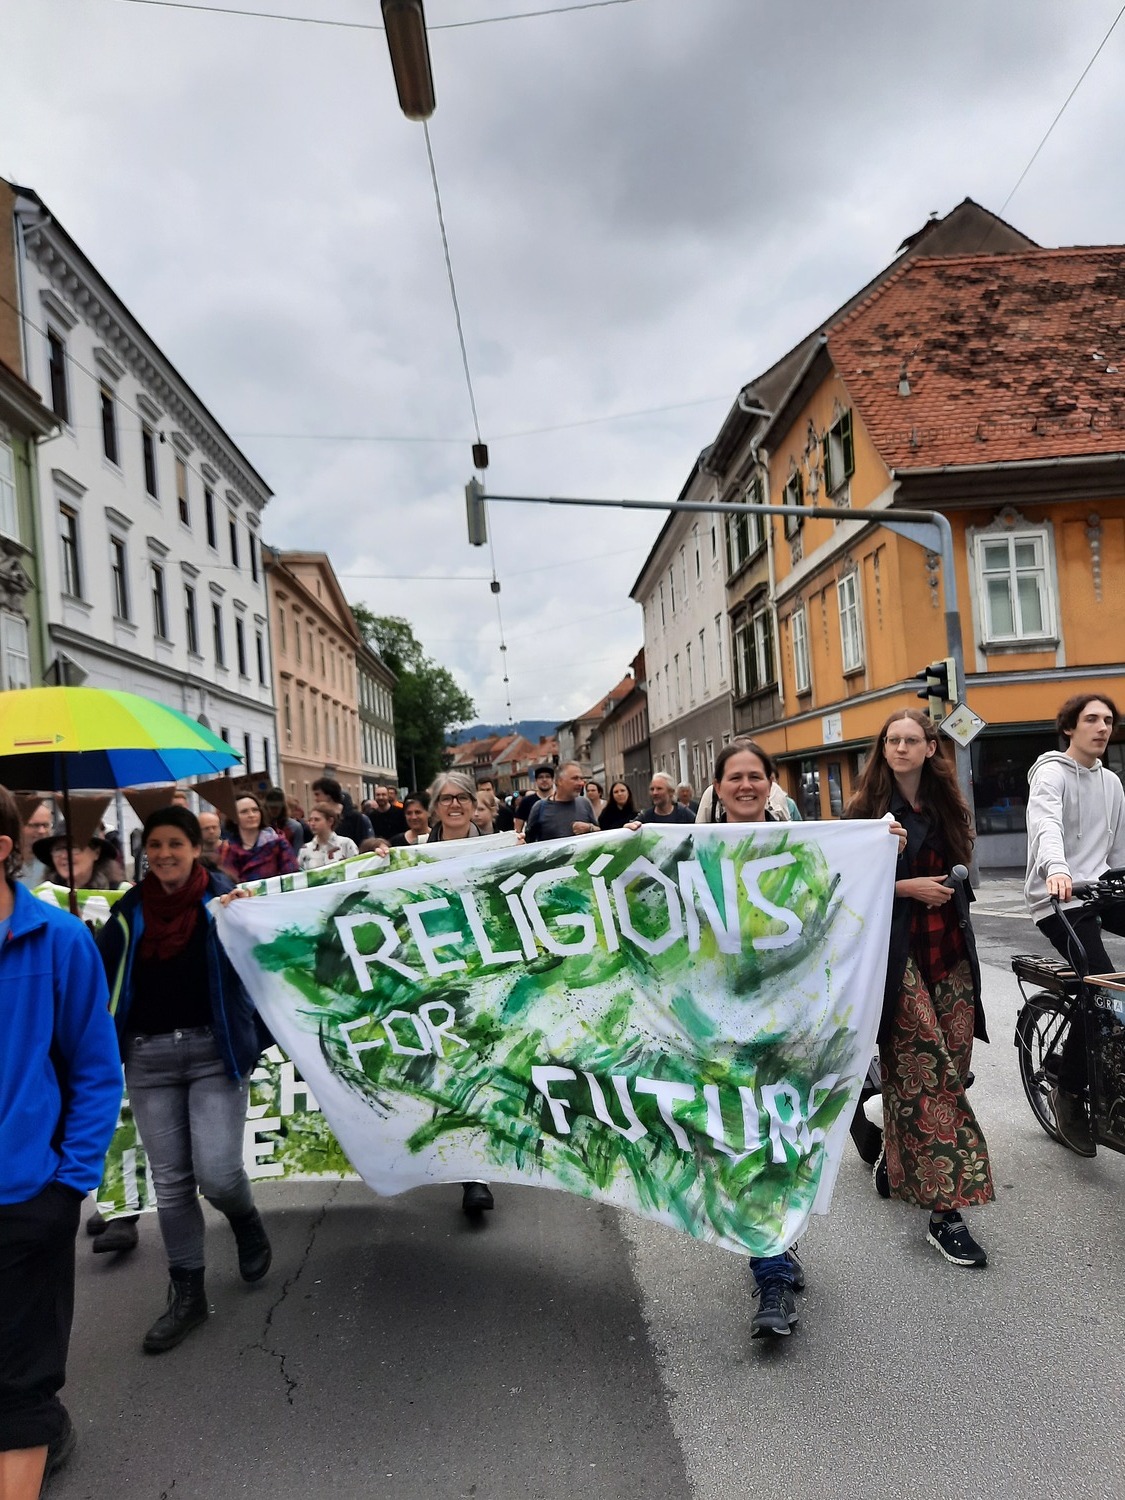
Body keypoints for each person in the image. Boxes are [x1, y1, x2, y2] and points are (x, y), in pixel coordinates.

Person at [97, 805, 273, 1353]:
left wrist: (248, 919)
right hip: (147, 1060)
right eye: (155, 845)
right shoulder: (128, 913)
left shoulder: (225, 902)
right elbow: (96, 981)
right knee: (171, 1182)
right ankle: (188, 1293)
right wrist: (85, 940)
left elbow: (269, 962)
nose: (164, 854)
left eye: (175, 843)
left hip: (212, 1055)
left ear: (197, 848)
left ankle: (243, 1217)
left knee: (218, 1173)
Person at [0, 784, 123, 1499]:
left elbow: (95, 1070)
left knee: (20, 1387)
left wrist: (69, 1183)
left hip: (27, 1199)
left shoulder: (61, 941)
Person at [846, 708, 992, 1268]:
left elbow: (961, 871)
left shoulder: (948, 804)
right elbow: (844, 885)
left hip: (949, 952)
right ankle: (945, 1213)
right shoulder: (865, 810)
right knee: (927, 1076)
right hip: (898, 956)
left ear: (931, 747)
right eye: (893, 740)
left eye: (912, 740)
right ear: (883, 749)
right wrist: (905, 885)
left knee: (952, 1066)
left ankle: (895, 1152)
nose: (902, 748)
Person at [1024, 692, 1125, 1154]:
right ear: (1069, 727)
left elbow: (1117, 852)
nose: (1102, 728)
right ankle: (1068, 1092)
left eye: (1108, 720)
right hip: (1058, 898)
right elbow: (1046, 824)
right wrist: (1057, 869)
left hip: (1100, 889)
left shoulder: (1112, 783)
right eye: (1092, 719)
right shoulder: (1050, 773)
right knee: (1101, 985)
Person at [424, 771, 497, 1216]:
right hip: (434, 977)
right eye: (446, 799)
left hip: (489, 973)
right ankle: (470, 1171)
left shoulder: (500, 848)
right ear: (435, 807)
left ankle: (479, 1170)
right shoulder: (412, 855)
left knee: (483, 1067)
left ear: (474, 804)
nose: (455, 805)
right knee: (451, 1068)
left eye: (462, 798)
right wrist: (380, 861)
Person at [219, 793, 300, 885]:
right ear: (234, 818)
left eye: (255, 810)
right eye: (244, 812)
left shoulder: (278, 844)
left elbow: (292, 879)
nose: (251, 815)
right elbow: (224, 884)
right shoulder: (227, 850)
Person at [34, 827, 128, 892]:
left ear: (96, 853)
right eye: (58, 849)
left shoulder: (121, 895)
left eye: (73, 848)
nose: (64, 855)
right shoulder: (44, 897)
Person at [524, 762, 599, 842]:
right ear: (559, 781)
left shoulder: (584, 803)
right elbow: (529, 842)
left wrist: (590, 828)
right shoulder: (540, 807)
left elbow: (600, 834)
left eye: (581, 779)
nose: (581, 783)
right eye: (575, 778)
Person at [312, 778, 373, 848]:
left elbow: (363, 842)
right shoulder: (319, 815)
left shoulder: (354, 816)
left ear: (328, 795)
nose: (315, 799)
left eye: (317, 794)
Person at [298, 805, 359, 870]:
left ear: (330, 821)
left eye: (317, 820)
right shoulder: (305, 849)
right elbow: (300, 872)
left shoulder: (346, 844)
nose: (312, 824)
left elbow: (357, 868)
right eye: (310, 820)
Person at [18, 799, 55, 889]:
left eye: (46, 825)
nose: (42, 831)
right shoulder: (6, 860)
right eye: (34, 825)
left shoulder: (56, 861)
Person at [514, 764, 555, 835]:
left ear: (552, 780)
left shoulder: (560, 799)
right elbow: (518, 829)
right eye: (540, 777)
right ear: (536, 780)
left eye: (547, 777)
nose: (544, 780)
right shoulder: (526, 801)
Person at [263, 786, 305, 855]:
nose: (274, 810)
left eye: (277, 807)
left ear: (282, 807)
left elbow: (297, 854)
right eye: (271, 807)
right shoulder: (261, 826)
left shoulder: (295, 827)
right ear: (266, 807)